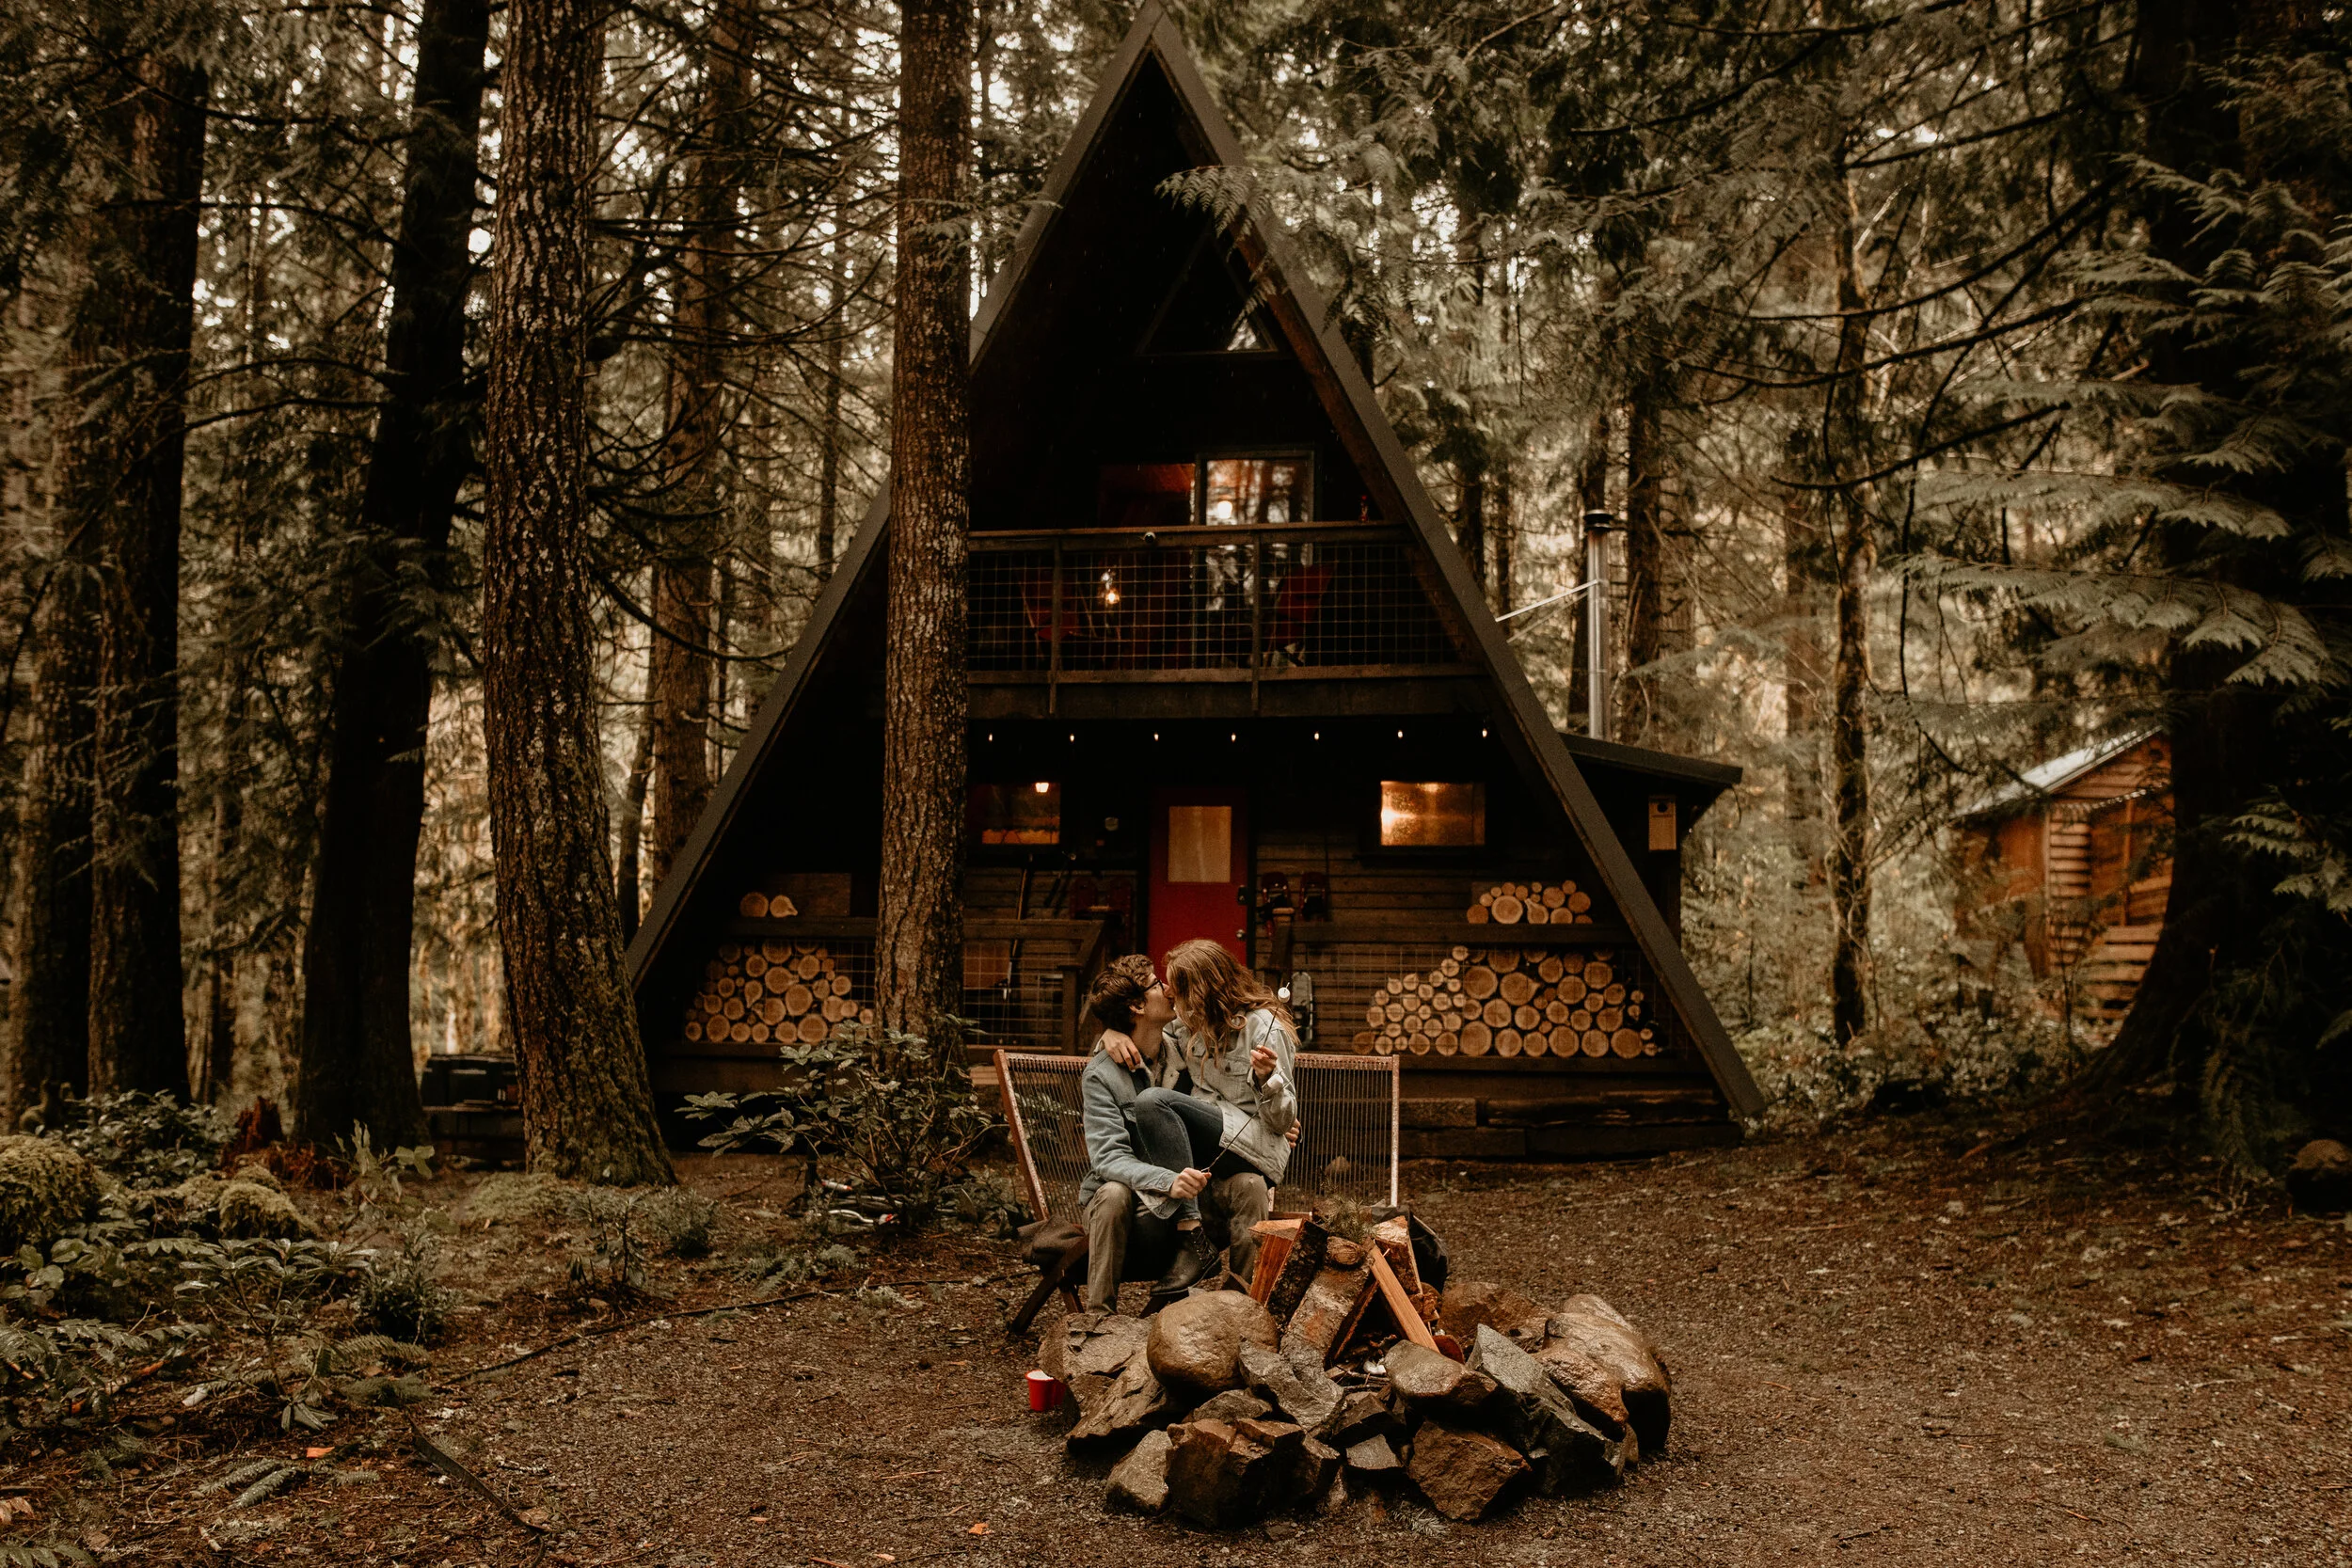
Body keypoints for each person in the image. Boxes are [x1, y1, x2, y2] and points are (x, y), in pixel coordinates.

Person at [1099, 938, 1298, 1289]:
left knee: (1151, 1102)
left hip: (1254, 1148)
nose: (1170, 996)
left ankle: (1191, 1237)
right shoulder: (1190, 1026)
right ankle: (1241, 1299)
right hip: (1220, 1156)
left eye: (1176, 988)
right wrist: (1110, 1033)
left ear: (1202, 990)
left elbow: (1282, 1123)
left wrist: (1269, 1079)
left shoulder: (1264, 1029)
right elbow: (1143, 1031)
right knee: (1249, 1188)